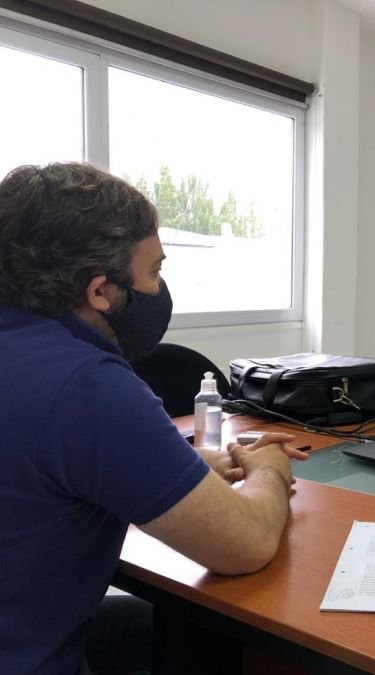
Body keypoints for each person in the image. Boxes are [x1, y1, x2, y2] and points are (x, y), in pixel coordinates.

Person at [0, 162, 308, 674]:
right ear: (100, 291)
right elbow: (245, 544)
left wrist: (185, 466)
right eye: (154, 271)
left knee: (153, 624)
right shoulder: (86, 383)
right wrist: (271, 468)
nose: (158, 288)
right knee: (212, 639)